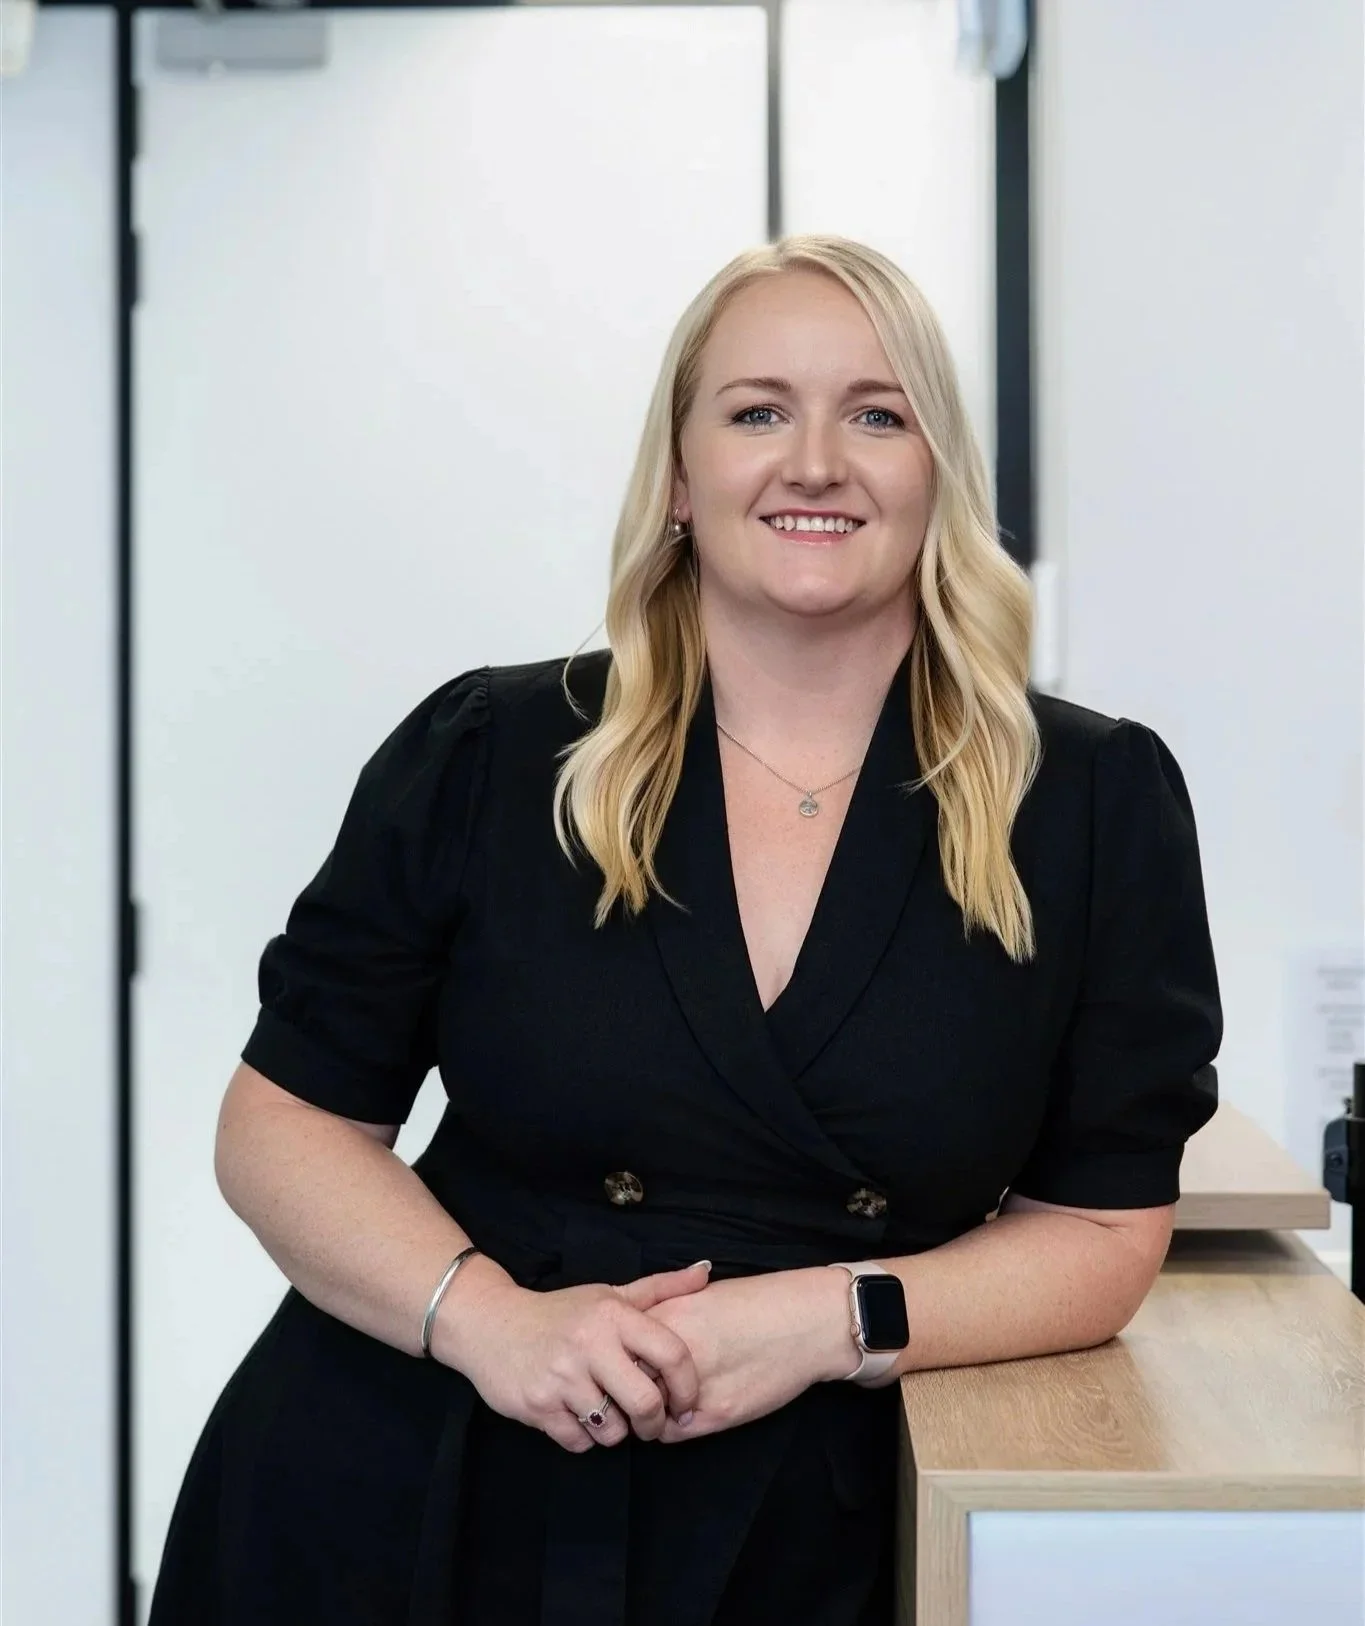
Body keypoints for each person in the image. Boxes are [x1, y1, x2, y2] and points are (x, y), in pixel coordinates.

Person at [148, 234, 1221, 1626]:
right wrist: (494, 1323)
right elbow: (282, 1123)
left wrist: (831, 1318)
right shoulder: (492, 750)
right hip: (413, 1487)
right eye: (758, 411)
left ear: (938, 473)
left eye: (877, 415)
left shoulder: (1087, 799)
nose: (815, 463)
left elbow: (1101, 1227)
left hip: (812, 1528)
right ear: (677, 474)